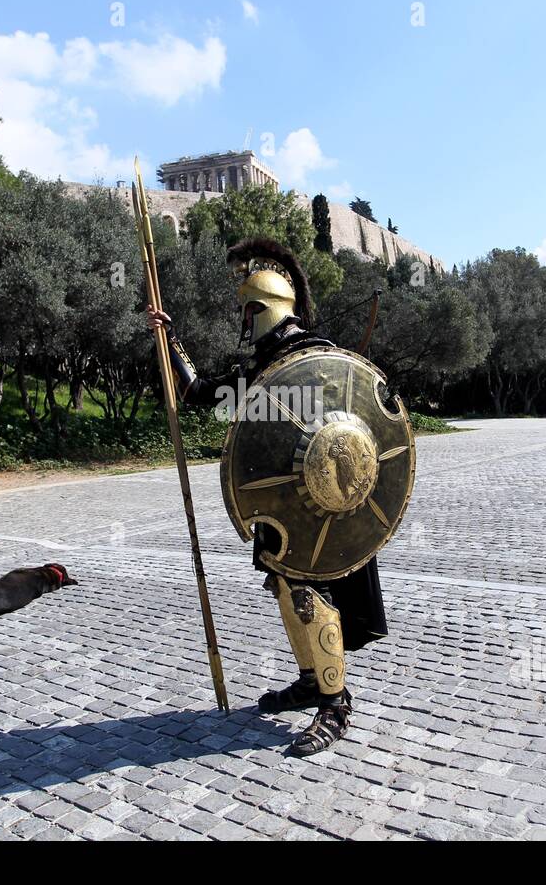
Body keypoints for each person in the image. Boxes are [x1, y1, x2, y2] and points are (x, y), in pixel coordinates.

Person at [146, 237, 393, 757]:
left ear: (265, 310)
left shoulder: (315, 357)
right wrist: (169, 342)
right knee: (285, 587)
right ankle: (311, 679)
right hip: (282, 504)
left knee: (311, 594)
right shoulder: (267, 364)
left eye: (248, 311)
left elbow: (350, 427)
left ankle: (335, 702)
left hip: (324, 507)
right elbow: (200, 394)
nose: (245, 321)